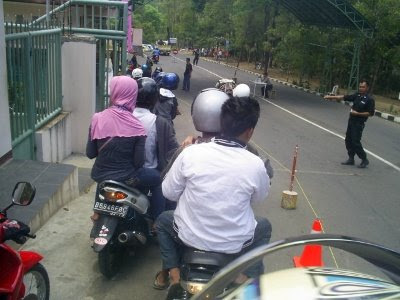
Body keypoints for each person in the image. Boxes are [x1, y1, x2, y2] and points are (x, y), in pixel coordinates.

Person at [154, 96, 271, 290]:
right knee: (264, 226)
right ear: (250, 132)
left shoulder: (190, 153)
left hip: (188, 237)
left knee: (163, 220)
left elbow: (168, 192)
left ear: (221, 123)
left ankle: (173, 275)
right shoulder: (255, 164)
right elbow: (259, 198)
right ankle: (246, 278)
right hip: (235, 243)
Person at [86, 76, 161, 223]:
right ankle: (156, 222)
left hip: (100, 175)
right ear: (133, 95)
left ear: (113, 92)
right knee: (158, 179)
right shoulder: (137, 126)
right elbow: (139, 162)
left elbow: (90, 154)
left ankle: (97, 212)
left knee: (105, 176)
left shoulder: (97, 118)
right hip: (127, 178)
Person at [133, 77, 180, 218]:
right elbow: (173, 151)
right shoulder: (161, 122)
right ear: (154, 99)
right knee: (164, 184)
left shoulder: (123, 118)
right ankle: (157, 221)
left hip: (123, 170)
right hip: (148, 171)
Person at [324, 79, 375, 168]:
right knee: (348, 140)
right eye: (360, 86)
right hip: (351, 121)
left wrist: (357, 114)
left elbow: (370, 113)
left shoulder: (369, 99)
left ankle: (364, 159)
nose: (361, 88)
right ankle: (351, 158)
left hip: (359, 123)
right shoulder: (357, 95)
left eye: (363, 87)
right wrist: (331, 97)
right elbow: (345, 97)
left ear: (367, 88)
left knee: (355, 141)